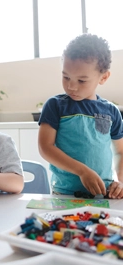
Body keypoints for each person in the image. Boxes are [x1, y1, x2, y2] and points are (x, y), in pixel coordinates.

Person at [38, 33, 123, 199]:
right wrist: (82, 171)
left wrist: (120, 182)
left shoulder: (111, 112)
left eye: (82, 81)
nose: (71, 86)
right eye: (66, 77)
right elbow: (45, 148)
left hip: (104, 195)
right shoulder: (55, 105)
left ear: (103, 77)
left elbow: (121, 151)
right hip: (65, 194)